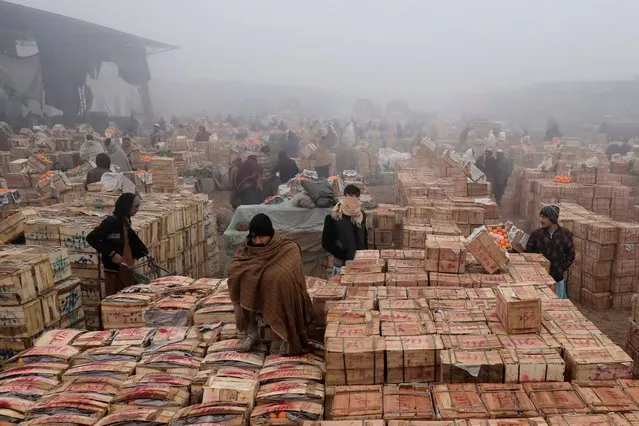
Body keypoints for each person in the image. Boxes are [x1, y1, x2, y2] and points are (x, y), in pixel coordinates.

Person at [228, 213, 313, 355]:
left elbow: (288, 274)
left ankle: (282, 333)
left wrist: (267, 276)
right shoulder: (247, 248)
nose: (257, 241)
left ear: (270, 234)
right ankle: (251, 331)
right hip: (255, 292)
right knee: (237, 276)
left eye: (261, 237)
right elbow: (237, 265)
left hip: (277, 293)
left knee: (279, 282)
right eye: (254, 237)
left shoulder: (287, 247)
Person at [86, 193, 149, 297]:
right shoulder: (111, 222)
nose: (138, 210)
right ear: (126, 205)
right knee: (114, 299)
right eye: (136, 206)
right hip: (114, 270)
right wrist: (112, 254)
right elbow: (91, 238)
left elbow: (128, 239)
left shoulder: (125, 220)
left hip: (126, 267)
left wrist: (142, 252)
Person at [526, 205, 575, 299]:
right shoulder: (536, 234)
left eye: (544, 217)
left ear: (552, 218)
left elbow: (571, 255)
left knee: (556, 306)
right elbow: (528, 253)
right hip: (538, 279)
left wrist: (561, 268)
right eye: (540, 216)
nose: (540, 220)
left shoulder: (565, 234)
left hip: (557, 279)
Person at [322, 184, 368, 276]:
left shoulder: (361, 216)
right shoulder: (333, 217)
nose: (353, 198)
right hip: (341, 263)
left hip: (359, 262)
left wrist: (364, 254)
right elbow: (326, 243)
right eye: (350, 195)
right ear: (344, 196)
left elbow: (364, 236)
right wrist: (342, 252)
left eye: (356, 196)